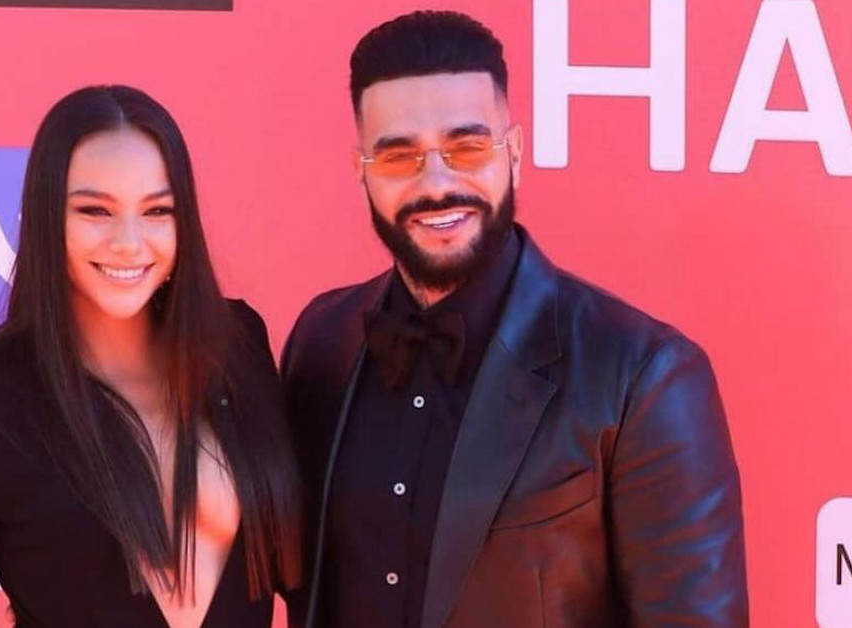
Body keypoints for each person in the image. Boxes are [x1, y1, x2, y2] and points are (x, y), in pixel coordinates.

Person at [281, 11, 747, 628]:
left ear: (515, 154)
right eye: (399, 156)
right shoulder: (321, 340)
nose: (436, 183)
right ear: (361, 170)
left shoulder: (642, 374)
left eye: (467, 147)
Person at [0, 85, 301, 628]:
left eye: (157, 210)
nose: (128, 242)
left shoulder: (238, 346)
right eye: (96, 210)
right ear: (47, 218)